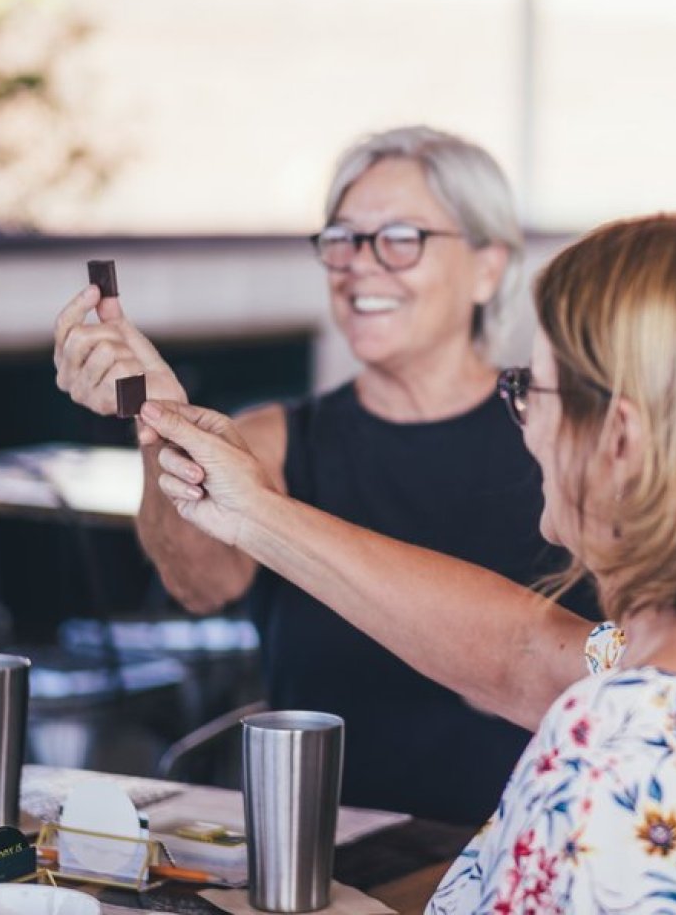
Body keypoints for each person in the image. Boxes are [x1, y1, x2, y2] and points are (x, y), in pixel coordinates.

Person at [139, 213, 676, 913]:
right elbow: (522, 650)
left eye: (533, 391)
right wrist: (255, 513)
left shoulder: (624, 740)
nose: (524, 427)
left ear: (619, 437)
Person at [52, 125, 592, 824]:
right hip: (323, 855)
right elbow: (198, 582)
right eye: (341, 239)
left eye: (401, 238)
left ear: (489, 267)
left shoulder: (557, 437)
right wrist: (159, 421)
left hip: (525, 849)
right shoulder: (273, 440)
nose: (359, 266)